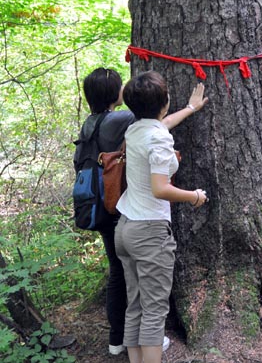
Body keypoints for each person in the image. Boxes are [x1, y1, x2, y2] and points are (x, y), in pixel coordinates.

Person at [73, 68, 171, 356]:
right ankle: (144, 339)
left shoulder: (89, 123)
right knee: (133, 277)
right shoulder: (120, 119)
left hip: (96, 204)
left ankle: (117, 340)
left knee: (118, 271)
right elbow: (156, 122)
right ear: (112, 93)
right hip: (119, 205)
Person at [114, 71, 209, 363]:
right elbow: (160, 188)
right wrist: (194, 196)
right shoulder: (157, 139)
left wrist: (191, 109)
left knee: (136, 306)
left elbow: (161, 126)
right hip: (149, 233)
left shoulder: (135, 130)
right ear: (164, 101)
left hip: (125, 228)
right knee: (154, 311)